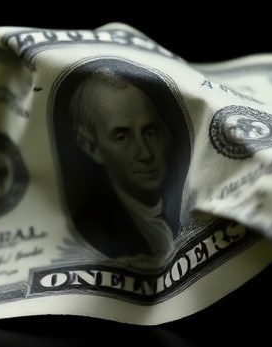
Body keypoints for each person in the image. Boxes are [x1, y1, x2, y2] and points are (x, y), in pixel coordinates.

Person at [67, 65, 185, 260]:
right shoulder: (90, 231)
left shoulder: (189, 198)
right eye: (122, 137)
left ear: (166, 133)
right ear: (91, 147)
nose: (145, 154)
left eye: (150, 132)